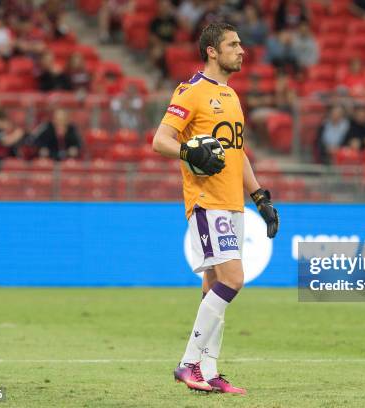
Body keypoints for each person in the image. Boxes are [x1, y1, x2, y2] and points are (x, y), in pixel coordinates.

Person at [152, 22, 279, 395]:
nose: (242, 50)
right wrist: (189, 150)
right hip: (207, 203)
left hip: (234, 204)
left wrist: (260, 198)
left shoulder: (230, 95)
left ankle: (208, 371)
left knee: (212, 284)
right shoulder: (190, 92)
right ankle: (188, 363)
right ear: (212, 51)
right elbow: (160, 140)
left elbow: (237, 155)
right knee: (233, 280)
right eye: (233, 44)